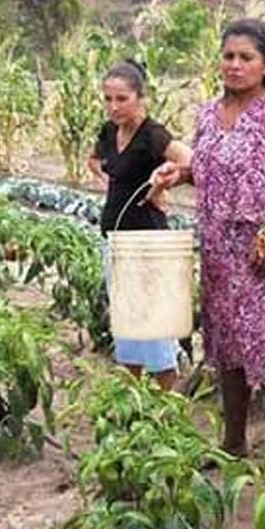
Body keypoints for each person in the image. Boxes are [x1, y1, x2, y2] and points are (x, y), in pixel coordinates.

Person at [151, 18, 265, 459]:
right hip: (219, 248)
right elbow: (204, 170)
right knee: (228, 348)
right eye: (228, 56)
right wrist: (177, 173)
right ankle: (233, 442)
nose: (235, 65)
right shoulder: (207, 113)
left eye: (246, 58)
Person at [87, 60, 194, 390]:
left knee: (153, 324)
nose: (114, 106)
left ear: (139, 98)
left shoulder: (152, 135)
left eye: (122, 99)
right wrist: (111, 184)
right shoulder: (109, 131)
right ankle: (132, 399)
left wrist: (161, 186)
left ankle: (167, 405)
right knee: (128, 324)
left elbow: (189, 160)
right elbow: (93, 160)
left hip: (147, 242)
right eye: (108, 99)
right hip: (115, 239)